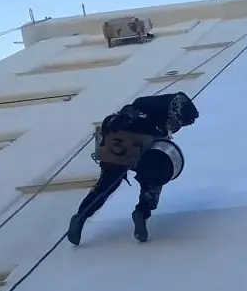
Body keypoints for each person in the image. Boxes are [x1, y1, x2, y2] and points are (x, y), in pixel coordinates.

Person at [66, 91, 199, 246]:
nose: (177, 127)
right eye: (177, 122)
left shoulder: (162, 115)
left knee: (150, 180)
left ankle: (139, 213)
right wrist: (124, 126)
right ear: (172, 112)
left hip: (139, 148)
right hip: (121, 144)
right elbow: (113, 124)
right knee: (112, 184)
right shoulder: (141, 112)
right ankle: (82, 217)